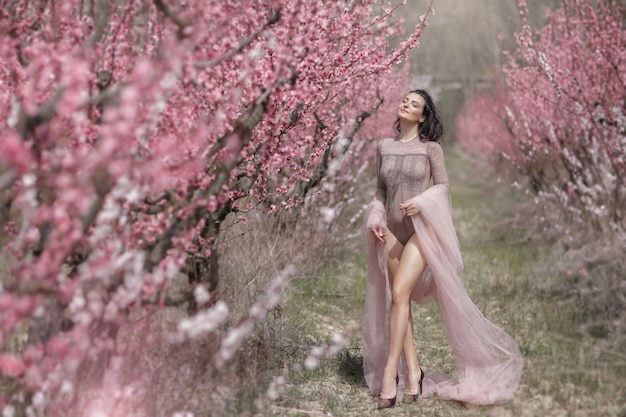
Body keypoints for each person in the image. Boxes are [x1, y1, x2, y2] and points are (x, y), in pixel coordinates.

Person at [361, 89, 523, 409]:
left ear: (422, 117)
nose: (406, 104)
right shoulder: (384, 147)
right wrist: (377, 216)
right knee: (398, 297)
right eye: (405, 100)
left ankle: (392, 373)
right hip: (392, 231)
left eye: (415, 104)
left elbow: (444, 186)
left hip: (421, 229)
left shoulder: (430, 149)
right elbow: (380, 190)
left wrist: (421, 202)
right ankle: (414, 372)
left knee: (400, 294)